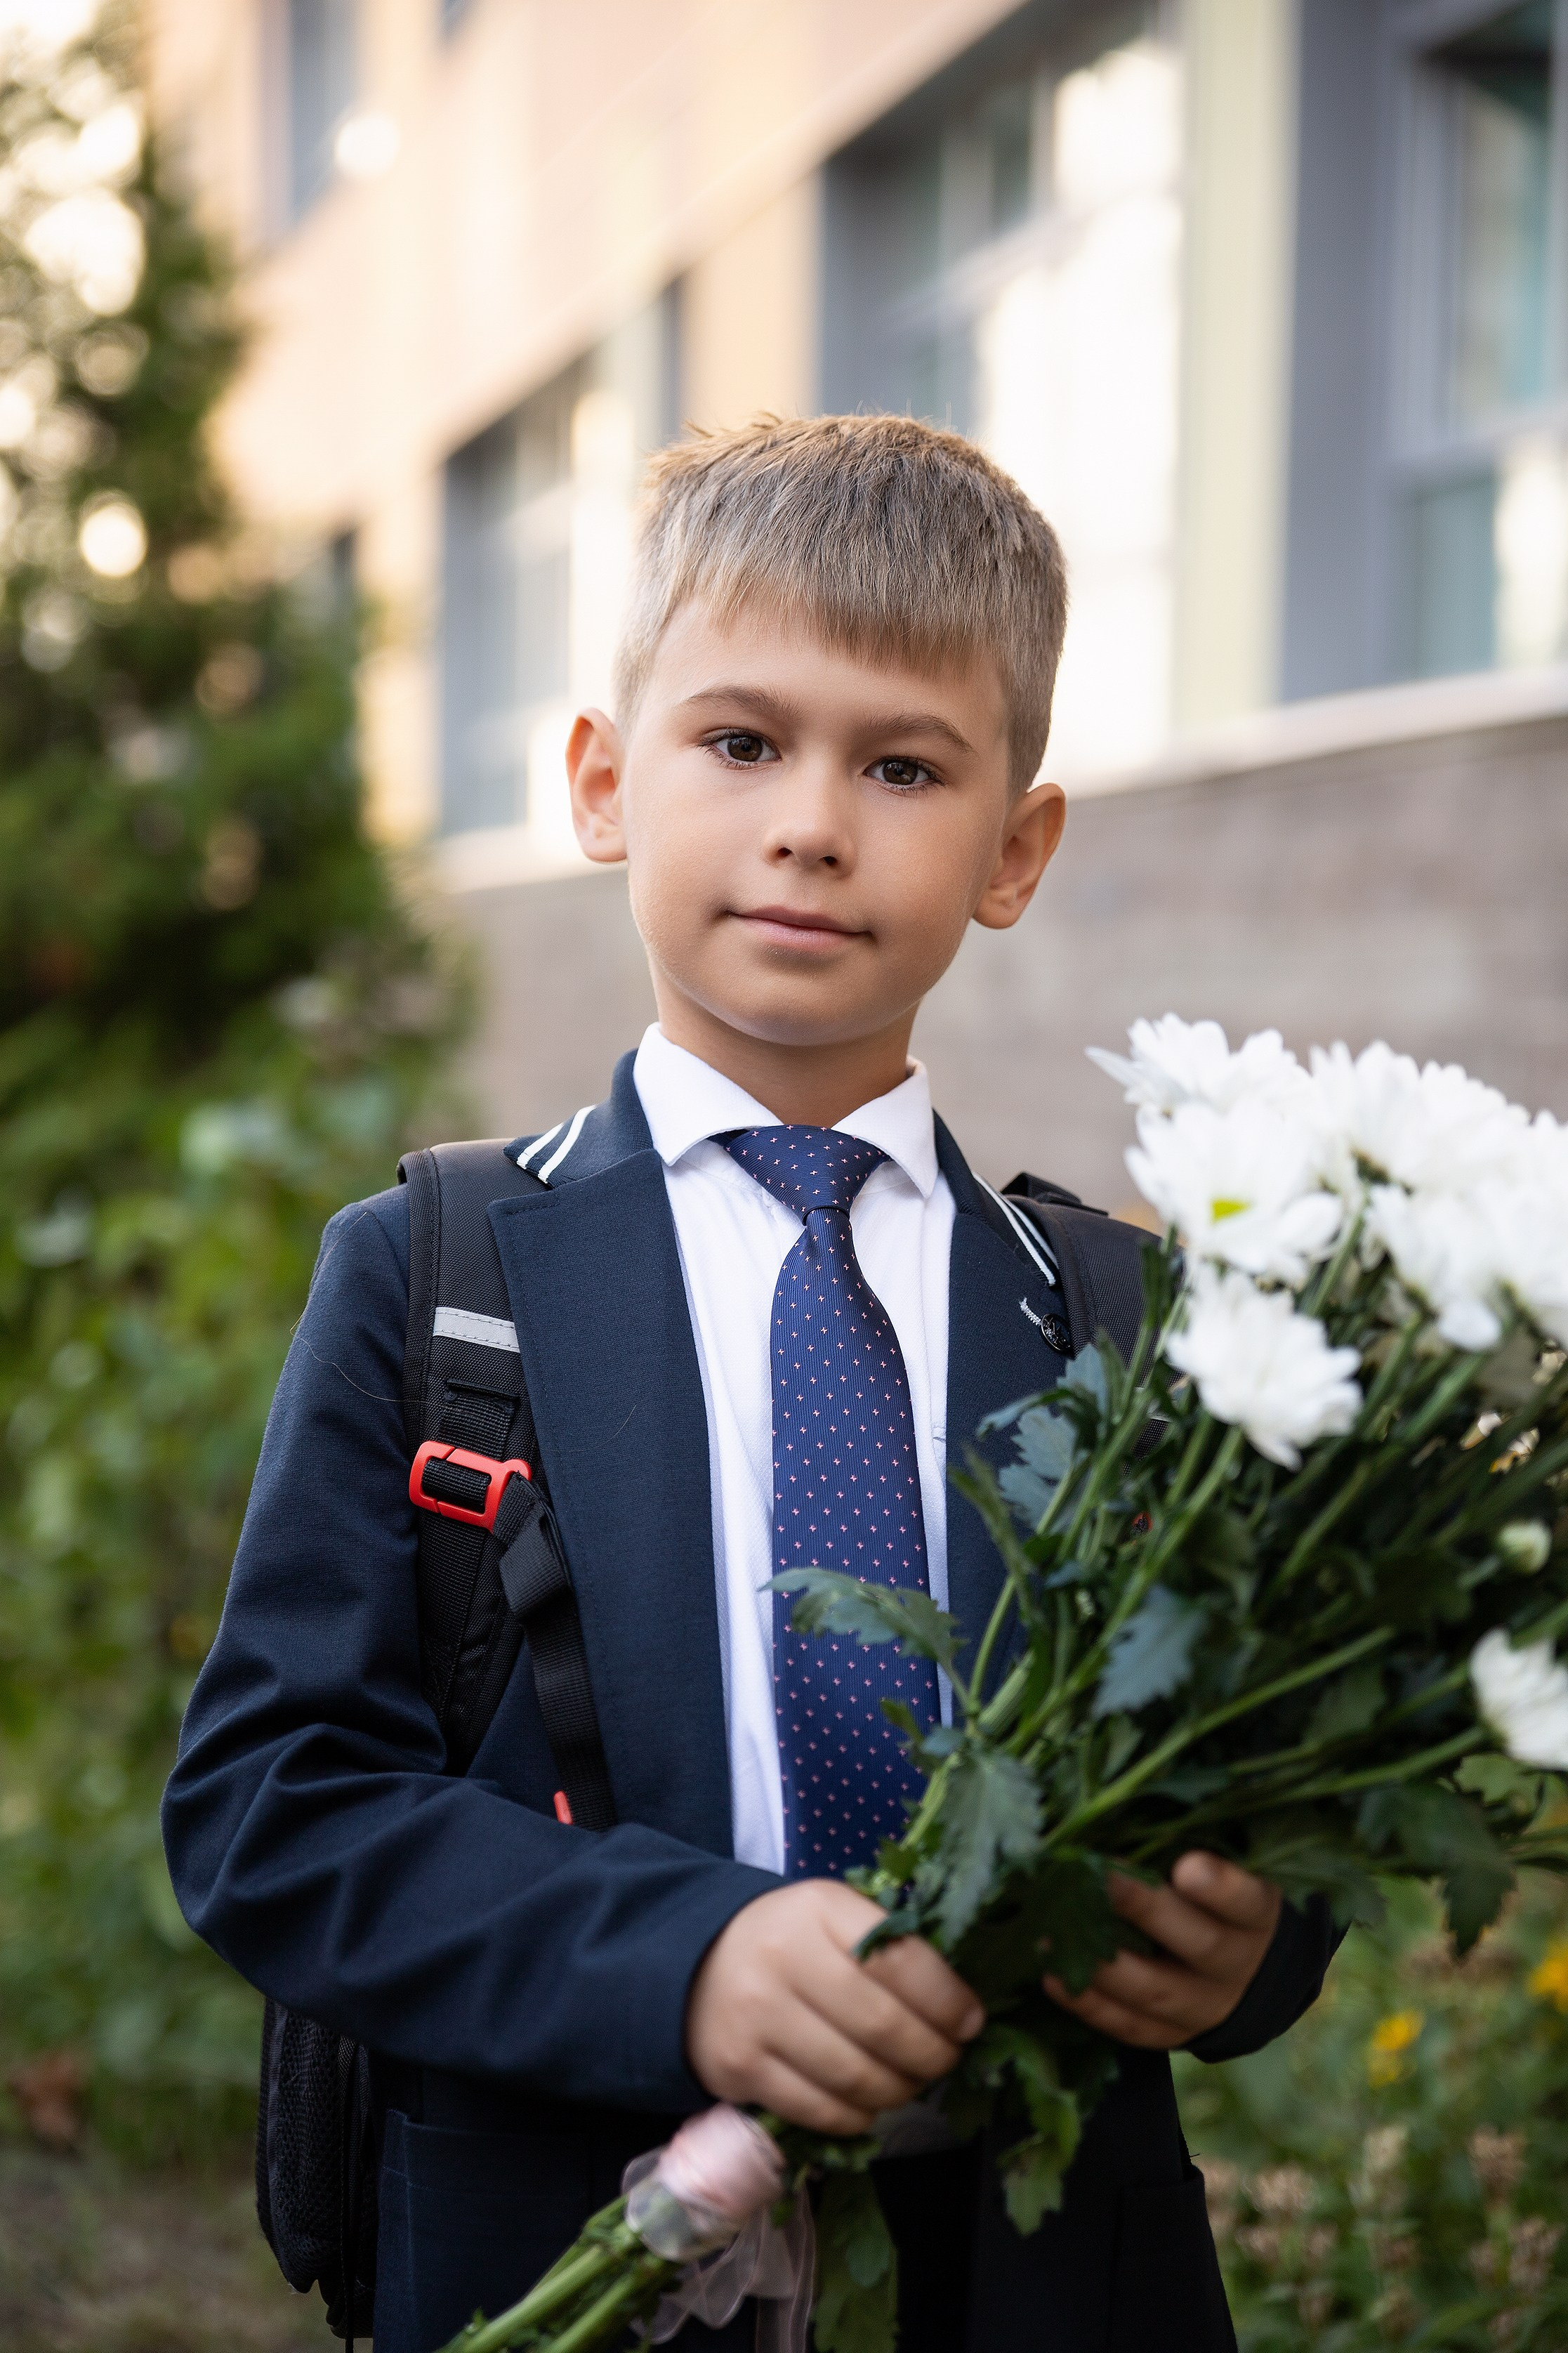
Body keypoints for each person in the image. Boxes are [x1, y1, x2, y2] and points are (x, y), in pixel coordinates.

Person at [163, 415, 1334, 2353]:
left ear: (1013, 850)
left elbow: (1262, 1807)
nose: (810, 820)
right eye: (739, 743)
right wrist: (680, 1955)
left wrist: (1247, 1951)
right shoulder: (436, 1282)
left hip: (1045, 2283)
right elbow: (275, 1809)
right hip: (570, 2250)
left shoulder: (1129, 1321)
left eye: (900, 765)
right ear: (604, 785)